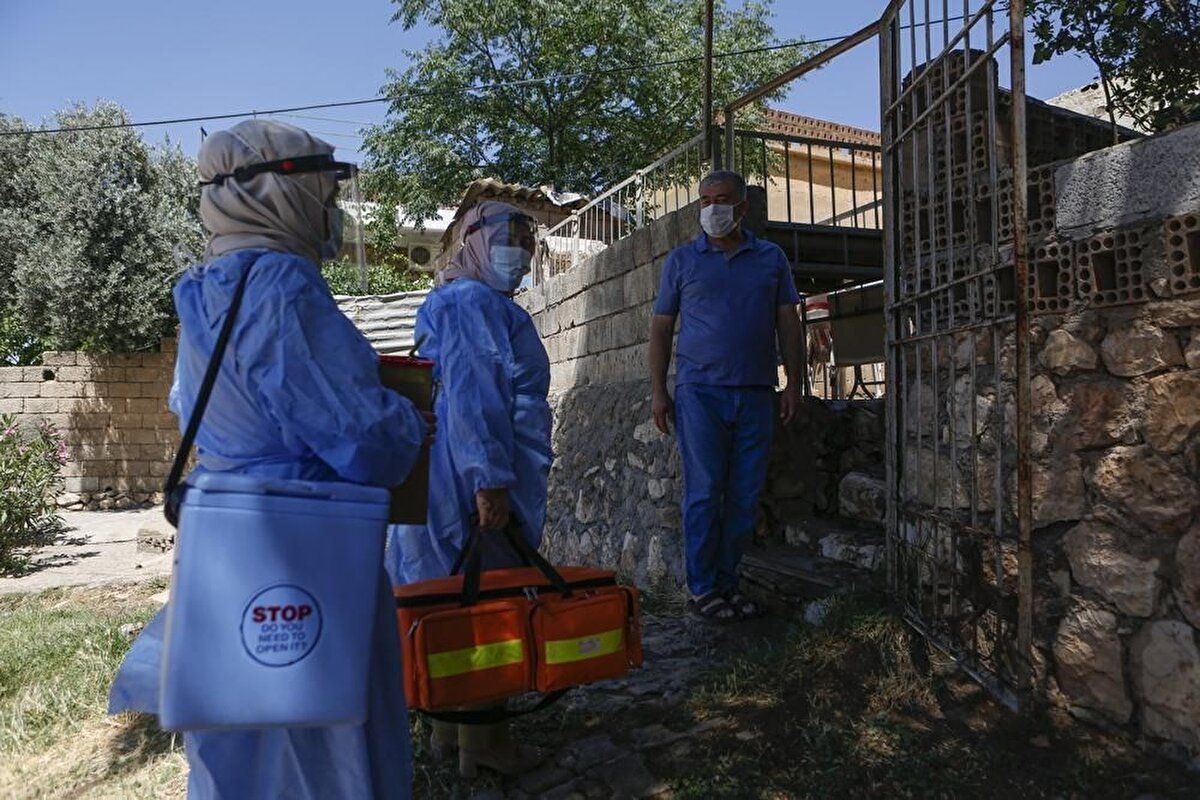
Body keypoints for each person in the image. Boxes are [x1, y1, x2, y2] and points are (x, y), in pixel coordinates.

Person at [108, 119, 430, 799]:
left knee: (240, 742)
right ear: (282, 192)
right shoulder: (282, 285)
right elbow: (366, 441)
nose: (330, 207)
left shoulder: (204, 287)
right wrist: (409, 413)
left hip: (226, 536)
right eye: (323, 187)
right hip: (306, 543)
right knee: (322, 739)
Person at [384, 200, 553, 779]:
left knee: (445, 601)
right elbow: (479, 391)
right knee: (486, 604)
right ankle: (484, 747)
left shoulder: (460, 299)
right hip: (470, 475)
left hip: (449, 470)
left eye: (527, 240)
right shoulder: (473, 302)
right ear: (471, 239)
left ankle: (448, 735)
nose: (522, 251)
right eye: (509, 237)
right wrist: (491, 481)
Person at [648, 170, 803, 623]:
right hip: (699, 394)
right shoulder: (681, 261)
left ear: (742, 207)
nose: (713, 208)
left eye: (723, 199)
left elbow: (788, 323)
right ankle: (701, 588)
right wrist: (659, 390)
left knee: (744, 495)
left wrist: (794, 382)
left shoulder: (771, 258)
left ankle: (727, 583)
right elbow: (661, 329)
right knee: (705, 491)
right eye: (706, 200)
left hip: (756, 391)